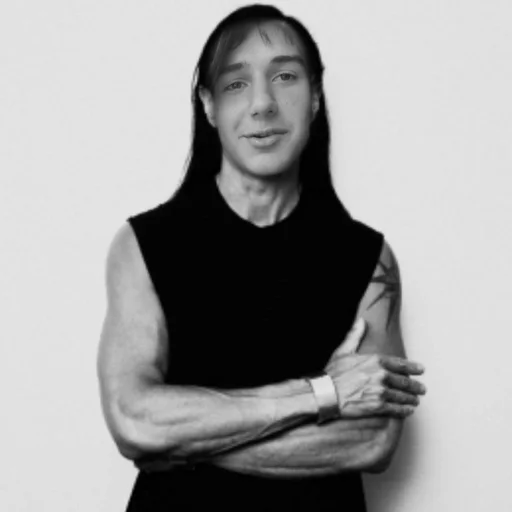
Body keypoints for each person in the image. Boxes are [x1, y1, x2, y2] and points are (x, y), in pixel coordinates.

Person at [97, 4, 427, 511]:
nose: (262, 104)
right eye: (236, 84)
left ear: (315, 96)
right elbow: (134, 419)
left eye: (285, 77)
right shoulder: (143, 244)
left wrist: (182, 443)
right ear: (208, 106)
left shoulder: (367, 258)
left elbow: (372, 440)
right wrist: (323, 394)